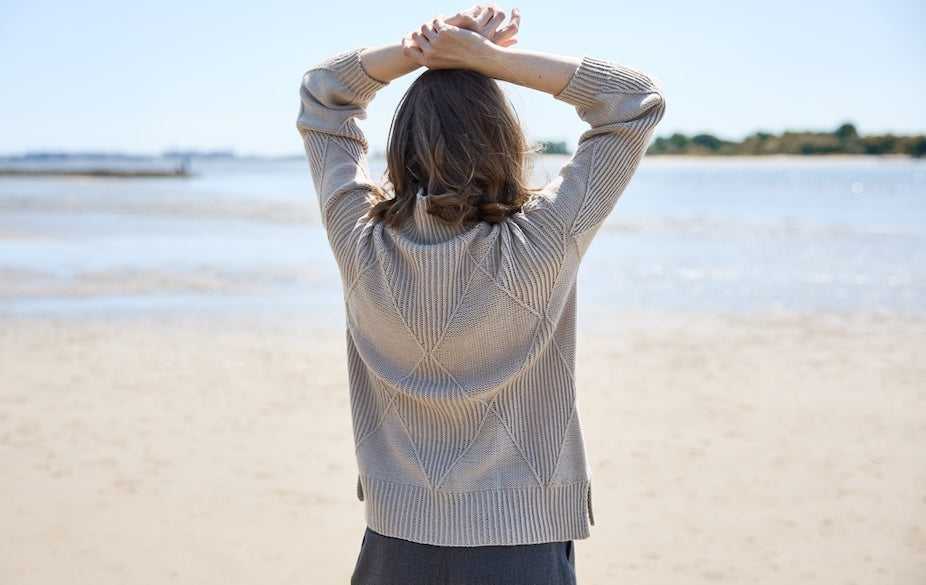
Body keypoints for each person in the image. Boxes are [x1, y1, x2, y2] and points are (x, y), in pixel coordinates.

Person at [297, 5, 665, 584]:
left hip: (395, 538)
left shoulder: (359, 239)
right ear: (503, 139)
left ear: (402, 146)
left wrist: (419, 51)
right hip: (522, 540)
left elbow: (324, 94)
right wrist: (492, 61)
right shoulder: (543, 238)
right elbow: (633, 101)